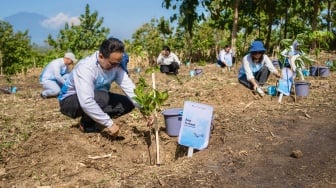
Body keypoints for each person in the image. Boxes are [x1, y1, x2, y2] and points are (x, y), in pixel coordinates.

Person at [58, 37, 149, 136]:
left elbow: (130, 89)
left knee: (128, 103)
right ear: (101, 56)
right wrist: (109, 123)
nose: (116, 66)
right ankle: (87, 125)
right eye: (112, 63)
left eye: (118, 63)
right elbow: (86, 101)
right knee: (102, 97)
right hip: (70, 102)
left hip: (97, 96)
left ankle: (94, 120)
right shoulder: (86, 67)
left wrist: (144, 109)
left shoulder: (116, 65)